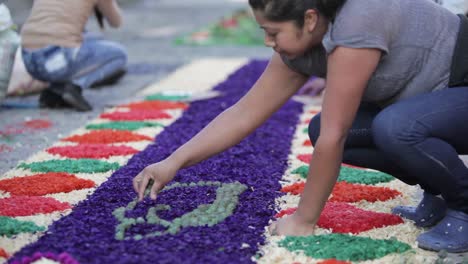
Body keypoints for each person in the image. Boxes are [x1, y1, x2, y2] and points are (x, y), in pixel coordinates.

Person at [133, 0, 468, 253]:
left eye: (273, 31)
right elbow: (245, 112)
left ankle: (464, 204)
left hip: (461, 85)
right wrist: (172, 161)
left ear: (309, 19)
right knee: (329, 128)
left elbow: (335, 136)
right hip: (436, 103)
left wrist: (303, 221)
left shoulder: (357, 23)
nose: (267, 42)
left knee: (394, 128)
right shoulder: (305, 42)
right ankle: (438, 191)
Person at [20, 0, 127, 111]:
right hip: (55, 60)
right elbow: (116, 22)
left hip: (28, 59)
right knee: (119, 54)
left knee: (82, 38)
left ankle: (55, 91)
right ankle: (74, 86)